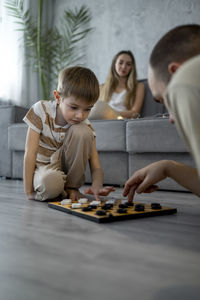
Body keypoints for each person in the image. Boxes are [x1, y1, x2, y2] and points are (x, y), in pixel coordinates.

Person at [123, 24, 200, 202]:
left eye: (166, 100)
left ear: (177, 72)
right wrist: (168, 167)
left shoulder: (185, 80)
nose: (172, 118)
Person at [23, 66, 114, 201]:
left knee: (83, 130)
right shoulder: (40, 110)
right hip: (44, 171)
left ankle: (71, 188)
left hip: (66, 172)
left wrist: (97, 185)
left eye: (87, 109)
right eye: (74, 107)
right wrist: (29, 191)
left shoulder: (84, 125)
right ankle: (60, 189)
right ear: (58, 97)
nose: (80, 115)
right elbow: (30, 153)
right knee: (49, 183)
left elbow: (96, 166)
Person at [99, 50, 145, 119]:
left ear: (132, 67)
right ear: (114, 64)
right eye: (120, 63)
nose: (124, 67)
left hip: (124, 123)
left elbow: (135, 112)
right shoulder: (101, 88)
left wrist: (109, 114)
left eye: (128, 64)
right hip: (105, 123)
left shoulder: (139, 86)